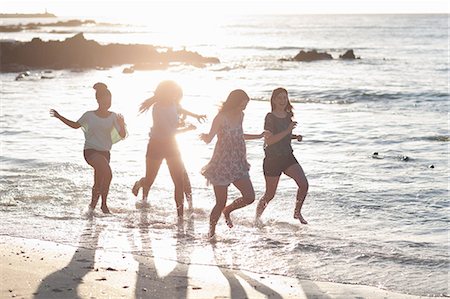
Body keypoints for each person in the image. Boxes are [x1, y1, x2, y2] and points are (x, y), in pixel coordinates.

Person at [131, 80, 205, 223]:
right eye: (173, 92)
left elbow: (180, 110)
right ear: (165, 93)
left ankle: (180, 217)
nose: (176, 95)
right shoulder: (157, 109)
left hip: (172, 147)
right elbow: (170, 131)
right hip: (156, 146)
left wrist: (196, 116)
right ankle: (140, 183)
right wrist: (187, 128)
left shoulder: (173, 103)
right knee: (149, 180)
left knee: (179, 182)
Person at [50, 82, 127, 214]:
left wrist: (121, 124)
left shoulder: (114, 116)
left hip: (105, 153)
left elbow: (122, 135)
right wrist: (59, 116)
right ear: (98, 100)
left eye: (110, 101)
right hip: (91, 151)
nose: (108, 103)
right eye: (105, 100)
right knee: (108, 173)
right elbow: (75, 125)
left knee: (99, 181)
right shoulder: (89, 115)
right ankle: (104, 206)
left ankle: (91, 209)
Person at [200, 89, 264, 238]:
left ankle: (228, 211)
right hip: (221, 164)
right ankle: (211, 233)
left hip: (238, 162)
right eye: (242, 105)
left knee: (249, 197)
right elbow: (210, 138)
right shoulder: (221, 118)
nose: (244, 108)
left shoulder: (241, 115)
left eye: (246, 105)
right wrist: (203, 136)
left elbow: (239, 135)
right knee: (220, 202)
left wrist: (259, 136)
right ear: (235, 102)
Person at [255, 87, 309, 225]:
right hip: (272, 159)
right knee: (270, 194)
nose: (282, 100)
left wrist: (294, 136)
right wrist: (288, 131)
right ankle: (256, 218)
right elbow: (270, 140)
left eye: (285, 97)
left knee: (303, 184)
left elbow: (284, 135)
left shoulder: (288, 115)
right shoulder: (270, 117)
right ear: (273, 99)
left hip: (287, 156)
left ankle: (297, 212)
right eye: (279, 97)